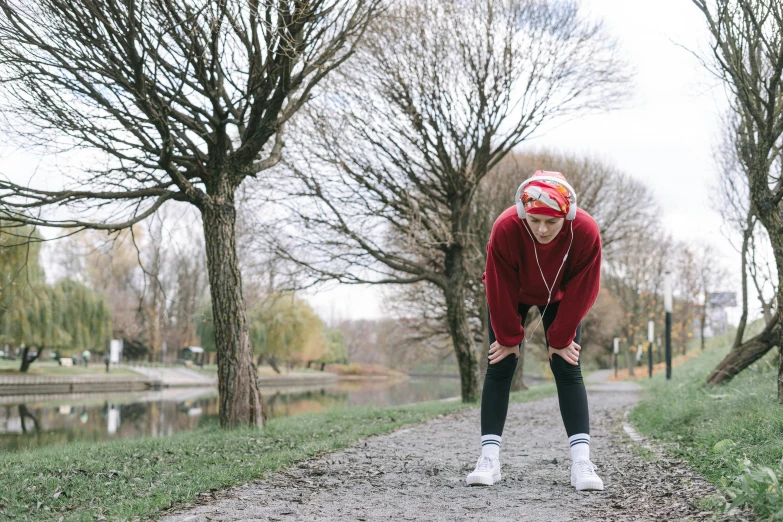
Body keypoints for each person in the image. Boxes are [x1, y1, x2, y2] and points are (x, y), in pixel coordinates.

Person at [466, 170, 604, 491]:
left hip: (559, 296)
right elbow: (497, 284)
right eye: (534, 220)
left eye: (550, 222)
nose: (541, 229)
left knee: (567, 365)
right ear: (523, 212)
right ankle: (489, 459)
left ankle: (582, 463)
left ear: (566, 216)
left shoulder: (585, 231)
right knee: (500, 364)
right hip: (511, 293)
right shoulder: (505, 227)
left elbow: (585, 287)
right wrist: (508, 338)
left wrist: (560, 338)